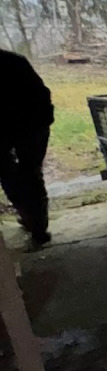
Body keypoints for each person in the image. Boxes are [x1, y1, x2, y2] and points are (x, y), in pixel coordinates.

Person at [0, 50, 54, 249]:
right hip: (33, 122)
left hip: (25, 124)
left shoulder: (13, 61)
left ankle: (28, 215)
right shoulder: (14, 61)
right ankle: (38, 225)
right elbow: (41, 93)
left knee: (7, 172)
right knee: (30, 173)